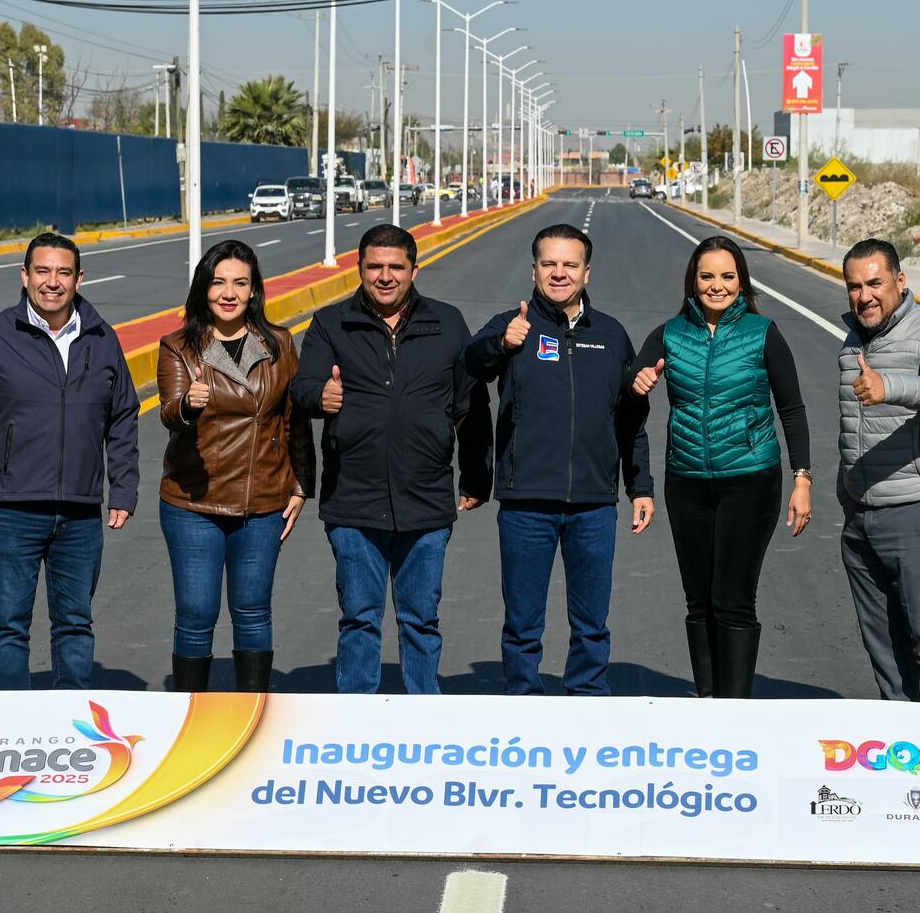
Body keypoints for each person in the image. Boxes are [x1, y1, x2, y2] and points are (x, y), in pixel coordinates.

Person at [292, 223, 492, 694]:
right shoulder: (330, 324)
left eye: (395, 267)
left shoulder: (446, 323)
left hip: (425, 499)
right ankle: (356, 724)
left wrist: (477, 476)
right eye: (375, 267)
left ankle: (422, 723)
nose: (385, 277)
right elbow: (301, 390)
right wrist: (321, 395)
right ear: (359, 269)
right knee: (359, 619)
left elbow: (471, 405)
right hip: (353, 501)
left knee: (421, 619)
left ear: (414, 270)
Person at [0, 231, 140, 689]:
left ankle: (68, 727)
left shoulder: (102, 338)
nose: (53, 282)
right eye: (42, 271)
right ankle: (15, 726)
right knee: (9, 626)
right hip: (12, 509)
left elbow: (123, 415)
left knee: (75, 625)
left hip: (80, 512)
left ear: (79, 278)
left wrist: (123, 489)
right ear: (24, 276)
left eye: (63, 272)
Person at [464, 223, 653, 696]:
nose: (559, 273)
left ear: (587, 272)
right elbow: (471, 363)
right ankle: (524, 707)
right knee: (523, 626)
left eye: (570, 265)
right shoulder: (515, 324)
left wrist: (641, 485)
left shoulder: (611, 334)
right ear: (534, 269)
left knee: (592, 624)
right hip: (526, 502)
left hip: (593, 504)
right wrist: (501, 344)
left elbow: (629, 417)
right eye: (549, 264)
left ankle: (587, 703)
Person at [631, 236, 812, 699]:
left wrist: (802, 478)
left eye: (727, 276)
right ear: (693, 280)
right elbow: (628, 387)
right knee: (699, 599)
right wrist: (639, 381)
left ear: (741, 281)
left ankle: (735, 709)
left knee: (732, 598)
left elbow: (790, 408)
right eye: (707, 276)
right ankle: (707, 698)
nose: (717, 286)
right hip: (687, 481)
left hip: (750, 481)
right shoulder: (670, 334)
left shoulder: (762, 332)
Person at [156, 240, 316, 694]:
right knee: (195, 615)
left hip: (263, 503)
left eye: (240, 283)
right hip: (194, 503)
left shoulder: (279, 342)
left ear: (253, 291)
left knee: (252, 612)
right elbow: (169, 411)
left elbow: (294, 420)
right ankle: (192, 721)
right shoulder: (179, 346)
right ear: (204, 288)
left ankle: (251, 721)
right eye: (218, 281)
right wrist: (189, 404)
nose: (228, 292)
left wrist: (302, 484)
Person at [834, 237, 920, 703]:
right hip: (863, 512)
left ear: (899, 281)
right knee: (884, 648)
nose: (864, 296)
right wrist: (846, 488)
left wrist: (888, 385)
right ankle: (902, 743)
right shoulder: (855, 337)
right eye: (854, 286)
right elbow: (854, 422)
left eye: (875, 283)